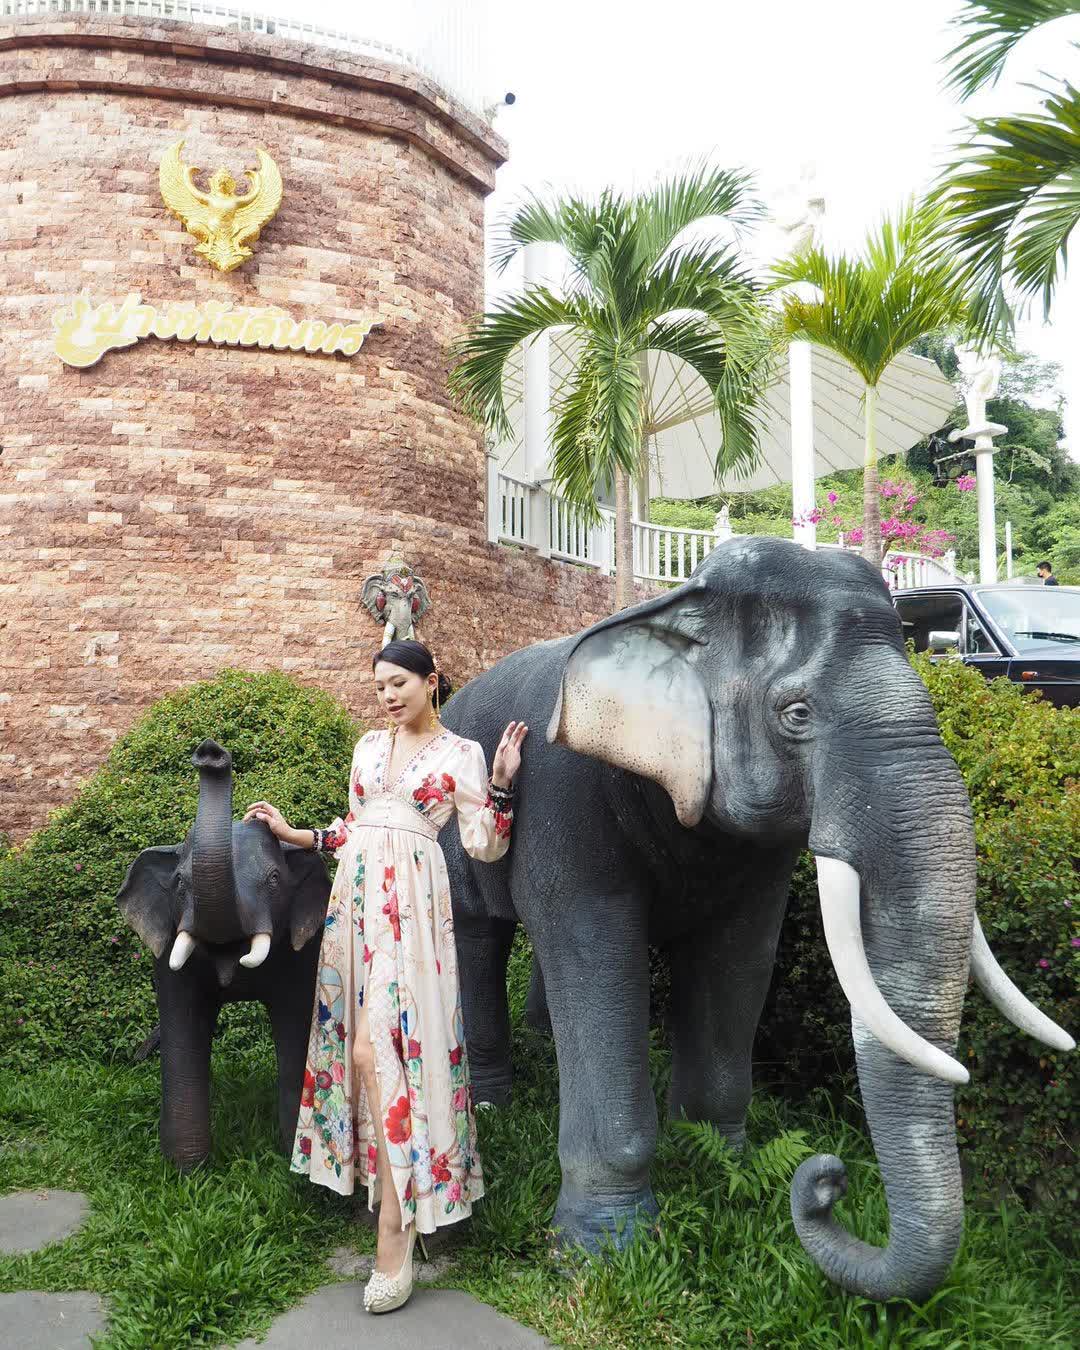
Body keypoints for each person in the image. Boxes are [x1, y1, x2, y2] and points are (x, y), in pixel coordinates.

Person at [244, 640, 527, 1314]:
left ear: (432, 681)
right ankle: (396, 1188)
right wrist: (295, 833)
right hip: (355, 904)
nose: (389, 697)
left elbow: (485, 843)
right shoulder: (368, 747)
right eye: (380, 687)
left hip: (414, 910)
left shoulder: (462, 753)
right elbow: (354, 827)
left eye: (399, 683)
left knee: (381, 1051)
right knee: (361, 1050)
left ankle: (394, 1233)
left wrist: (501, 785)